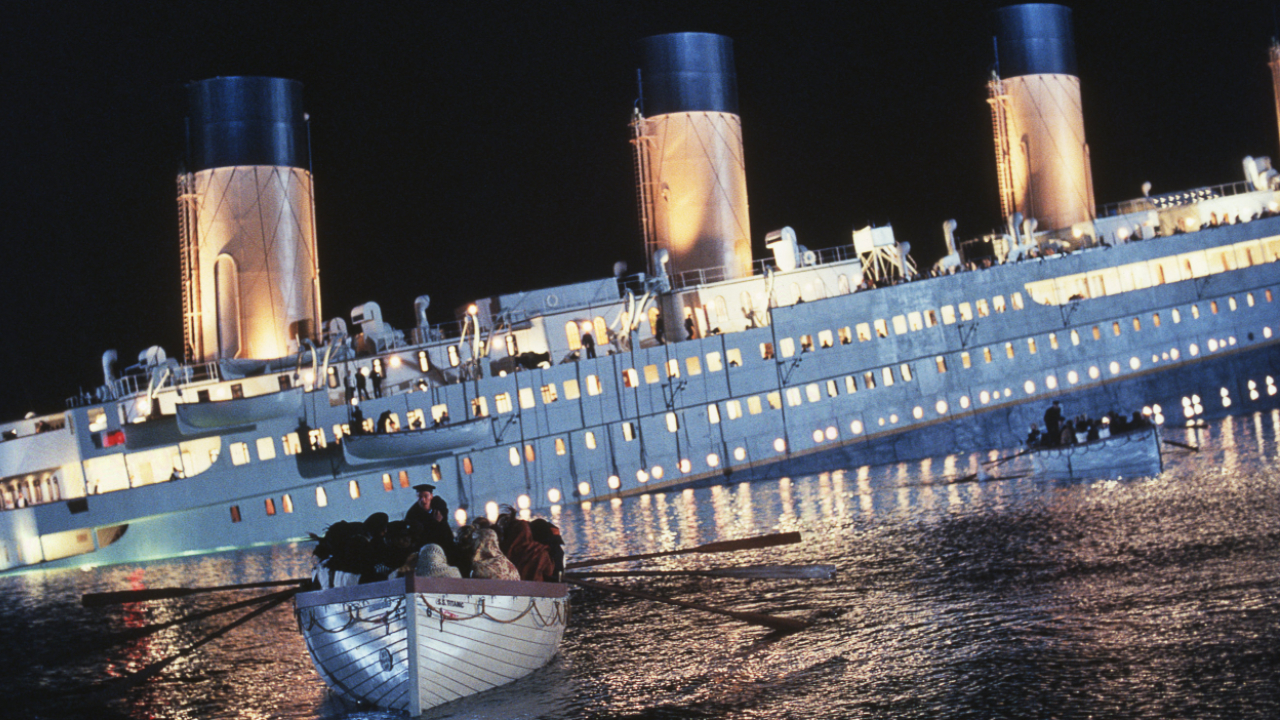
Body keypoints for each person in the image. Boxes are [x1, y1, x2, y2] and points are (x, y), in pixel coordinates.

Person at [404, 484, 456, 560]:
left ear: (431, 496)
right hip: (428, 549)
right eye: (420, 497)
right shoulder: (412, 514)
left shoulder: (439, 506)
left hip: (446, 543)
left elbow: (444, 518)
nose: (423, 500)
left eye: (426, 496)